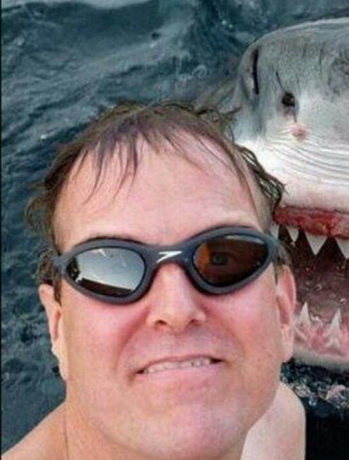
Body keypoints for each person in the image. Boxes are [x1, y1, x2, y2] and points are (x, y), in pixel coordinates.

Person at [5, 101, 305, 459]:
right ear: (58, 329)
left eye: (223, 258)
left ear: (283, 312)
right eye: (113, 268)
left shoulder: (277, 425)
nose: (176, 310)